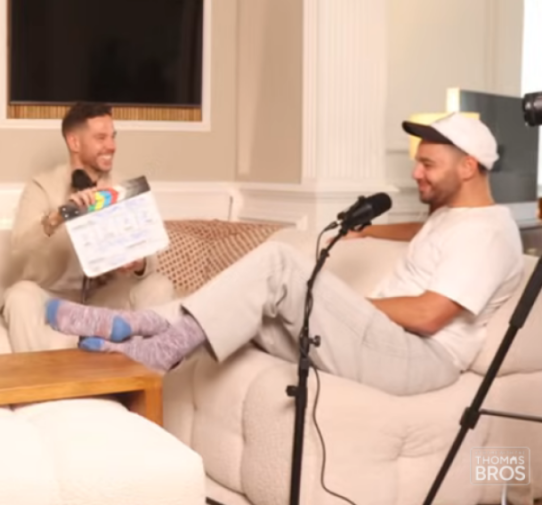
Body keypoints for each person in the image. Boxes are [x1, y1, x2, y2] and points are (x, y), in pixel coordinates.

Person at [44, 113, 525, 396]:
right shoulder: (454, 217)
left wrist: (342, 306)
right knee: (250, 311)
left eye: (428, 164)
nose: (417, 173)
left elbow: (428, 314)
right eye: (417, 162)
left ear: (468, 167)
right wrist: (372, 231)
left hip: (419, 358)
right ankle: (135, 329)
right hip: (387, 345)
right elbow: (428, 233)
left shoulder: (489, 233)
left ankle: (156, 344)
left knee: (279, 263)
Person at [2, 102, 176, 352]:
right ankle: (38, 377)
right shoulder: (41, 186)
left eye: (113, 136)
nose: (111, 146)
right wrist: (57, 217)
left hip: (102, 297)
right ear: (74, 142)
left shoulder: (121, 188)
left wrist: (139, 264)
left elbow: (151, 258)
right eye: (101, 138)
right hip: (52, 294)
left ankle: (141, 369)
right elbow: (20, 247)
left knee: (159, 285)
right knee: (19, 296)